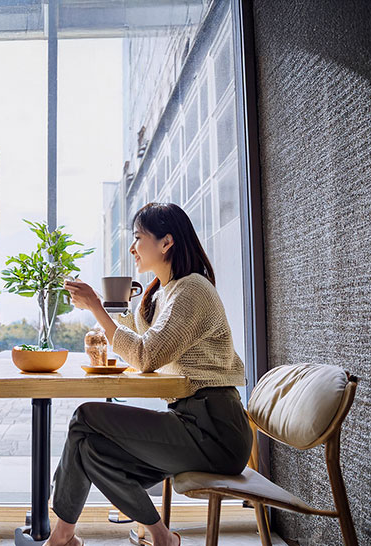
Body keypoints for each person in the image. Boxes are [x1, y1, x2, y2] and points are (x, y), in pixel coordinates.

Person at [46, 202, 251, 546]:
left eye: (138, 237)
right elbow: (142, 337)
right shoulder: (164, 292)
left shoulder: (193, 290)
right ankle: (150, 537)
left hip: (215, 431)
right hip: (190, 422)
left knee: (85, 416)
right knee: (89, 446)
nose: (132, 247)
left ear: (167, 242)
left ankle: (63, 538)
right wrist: (101, 306)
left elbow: (145, 355)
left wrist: (98, 307)